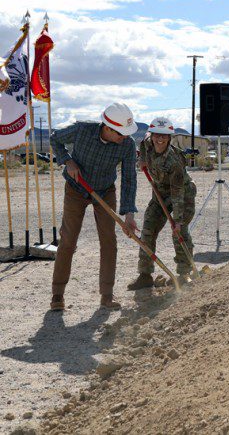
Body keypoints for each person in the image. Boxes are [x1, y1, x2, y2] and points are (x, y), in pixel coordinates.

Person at [50, 103, 139, 311]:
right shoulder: (82, 130)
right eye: (120, 133)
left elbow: (129, 178)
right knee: (68, 240)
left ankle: (107, 295)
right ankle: (57, 295)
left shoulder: (127, 145)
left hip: (105, 191)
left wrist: (128, 213)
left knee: (109, 241)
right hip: (76, 188)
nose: (124, 138)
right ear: (107, 127)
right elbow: (55, 138)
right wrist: (67, 161)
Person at [128, 117, 197, 290]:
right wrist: (142, 159)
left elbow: (178, 192)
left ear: (169, 138)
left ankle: (184, 274)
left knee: (179, 232)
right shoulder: (146, 143)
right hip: (159, 194)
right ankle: (145, 275)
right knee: (148, 230)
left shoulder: (175, 160)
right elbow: (142, 147)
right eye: (157, 135)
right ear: (152, 135)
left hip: (182, 194)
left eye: (164, 136)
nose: (160, 139)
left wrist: (178, 220)